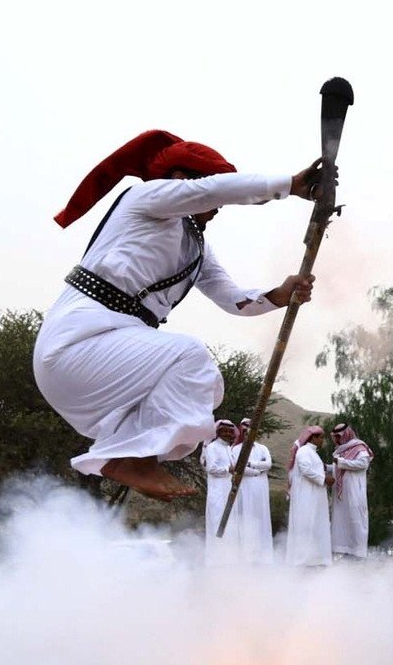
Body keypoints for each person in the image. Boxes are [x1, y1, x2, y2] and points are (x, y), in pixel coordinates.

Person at [35, 130, 323, 501]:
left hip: (104, 365)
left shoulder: (194, 244)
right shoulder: (143, 197)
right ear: (179, 179)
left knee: (206, 387)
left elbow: (231, 298)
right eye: (214, 185)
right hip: (76, 342)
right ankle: (129, 459)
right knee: (190, 357)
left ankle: (134, 456)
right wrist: (291, 185)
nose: (218, 208)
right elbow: (211, 192)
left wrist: (278, 296)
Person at [285, 426, 333, 565]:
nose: (323, 440)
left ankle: (315, 558)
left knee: (316, 524)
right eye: (321, 437)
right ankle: (303, 560)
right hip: (306, 495)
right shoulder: (304, 451)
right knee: (307, 524)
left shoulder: (312, 453)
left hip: (315, 495)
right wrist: (324, 479)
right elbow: (306, 470)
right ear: (313, 438)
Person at [231, 418, 274, 563]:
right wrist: (257, 470)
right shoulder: (236, 450)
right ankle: (247, 555)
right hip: (246, 486)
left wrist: (251, 464)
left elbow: (268, 464)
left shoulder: (263, 448)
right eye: (245, 430)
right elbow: (239, 468)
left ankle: (264, 555)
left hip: (261, 486)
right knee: (247, 515)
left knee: (262, 516)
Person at [329, 422, 372, 559]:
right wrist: (326, 467)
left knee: (356, 518)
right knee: (341, 519)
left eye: (338, 436)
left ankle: (358, 552)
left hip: (354, 488)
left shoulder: (358, 447)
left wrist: (341, 462)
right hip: (341, 491)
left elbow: (363, 463)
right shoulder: (340, 450)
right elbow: (337, 467)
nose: (336, 439)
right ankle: (343, 550)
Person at [200, 420, 240, 565]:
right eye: (225, 431)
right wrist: (227, 469)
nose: (229, 434)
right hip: (217, 492)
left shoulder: (228, 448)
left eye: (231, 431)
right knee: (217, 522)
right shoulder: (212, 447)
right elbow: (211, 468)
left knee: (230, 524)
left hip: (228, 489)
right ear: (218, 432)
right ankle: (215, 561)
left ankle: (228, 558)